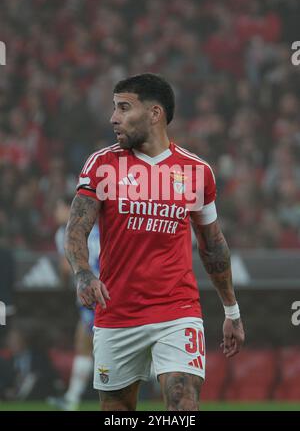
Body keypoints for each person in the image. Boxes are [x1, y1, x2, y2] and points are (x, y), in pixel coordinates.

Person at [64, 73, 245, 411]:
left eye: (123, 108)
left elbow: (213, 245)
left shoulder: (196, 171)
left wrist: (231, 310)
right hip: (116, 311)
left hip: (176, 311)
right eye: (114, 108)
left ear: (154, 113)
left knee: (182, 406)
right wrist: (83, 272)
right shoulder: (102, 165)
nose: (113, 118)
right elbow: (75, 228)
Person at [50, 196, 100, 411]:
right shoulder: (97, 226)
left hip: (91, 294)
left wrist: (62, 281)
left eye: (57, 208)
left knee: (85, 345)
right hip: (111, 291)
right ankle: (72, 397)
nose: (55, 213)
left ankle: (72, 399)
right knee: (85, 342)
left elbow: (64, 268)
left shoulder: (66, 231)